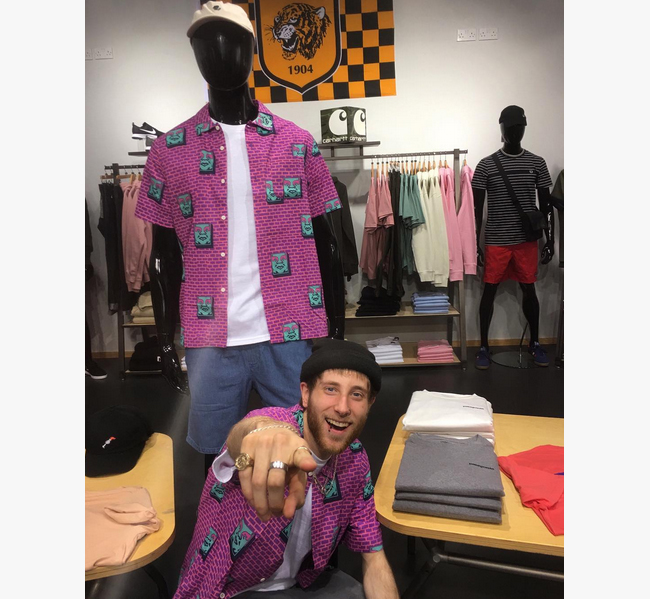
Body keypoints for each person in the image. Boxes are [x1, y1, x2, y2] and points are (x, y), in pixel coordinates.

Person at [135, 2, 345, 471]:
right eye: (204, 44)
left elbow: (326, 242)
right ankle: (225, 521)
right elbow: (163, 256)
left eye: (230, 42)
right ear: (194, 54)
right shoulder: (168, 152)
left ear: (252, 51)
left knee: (299, 456)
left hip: (289, 329)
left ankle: (299, 524)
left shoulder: (297, 143)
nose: (218, 53)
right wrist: (165, 338)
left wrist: (334, 325)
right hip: (209, 336)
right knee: (218, 461)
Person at [173, 339, 399, 599]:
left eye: (357, 394)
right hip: (225, 589)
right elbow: (247, 433)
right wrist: (260, 436)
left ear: (370, 403)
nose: (342, 407)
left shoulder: (355, 459)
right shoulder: (275, 425)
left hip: (302, 585)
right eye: (330, 389)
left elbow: (373, 555)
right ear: (306, 393)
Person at [472, 105, 554, 370]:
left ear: (525, 129)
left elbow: (546, 206)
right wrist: (474, 243)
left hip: (526, 241)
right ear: (501, 129)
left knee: (529, 289)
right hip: (497, 239)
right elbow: (475, 210)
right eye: (510, 127)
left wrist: (550, 239)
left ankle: (535, 342)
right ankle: (483, 346)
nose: (515, 132)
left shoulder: (537, 163)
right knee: (489, 290)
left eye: (519, 127)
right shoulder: (486, 166)